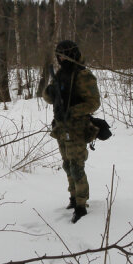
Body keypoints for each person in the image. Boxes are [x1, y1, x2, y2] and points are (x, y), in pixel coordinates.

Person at [42, 39, 101, 223]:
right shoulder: (61, 74)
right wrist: (49, 93)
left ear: (70, 55)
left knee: (77, 167)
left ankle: (81, 205)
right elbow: (50, 98)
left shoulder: (83, 75)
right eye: (58, 56)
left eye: (62, 55)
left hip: (77, 128)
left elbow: (93, 103)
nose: (59, 59)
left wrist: (72, 111)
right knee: (67, 165)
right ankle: (73, 197)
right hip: (61, 127)